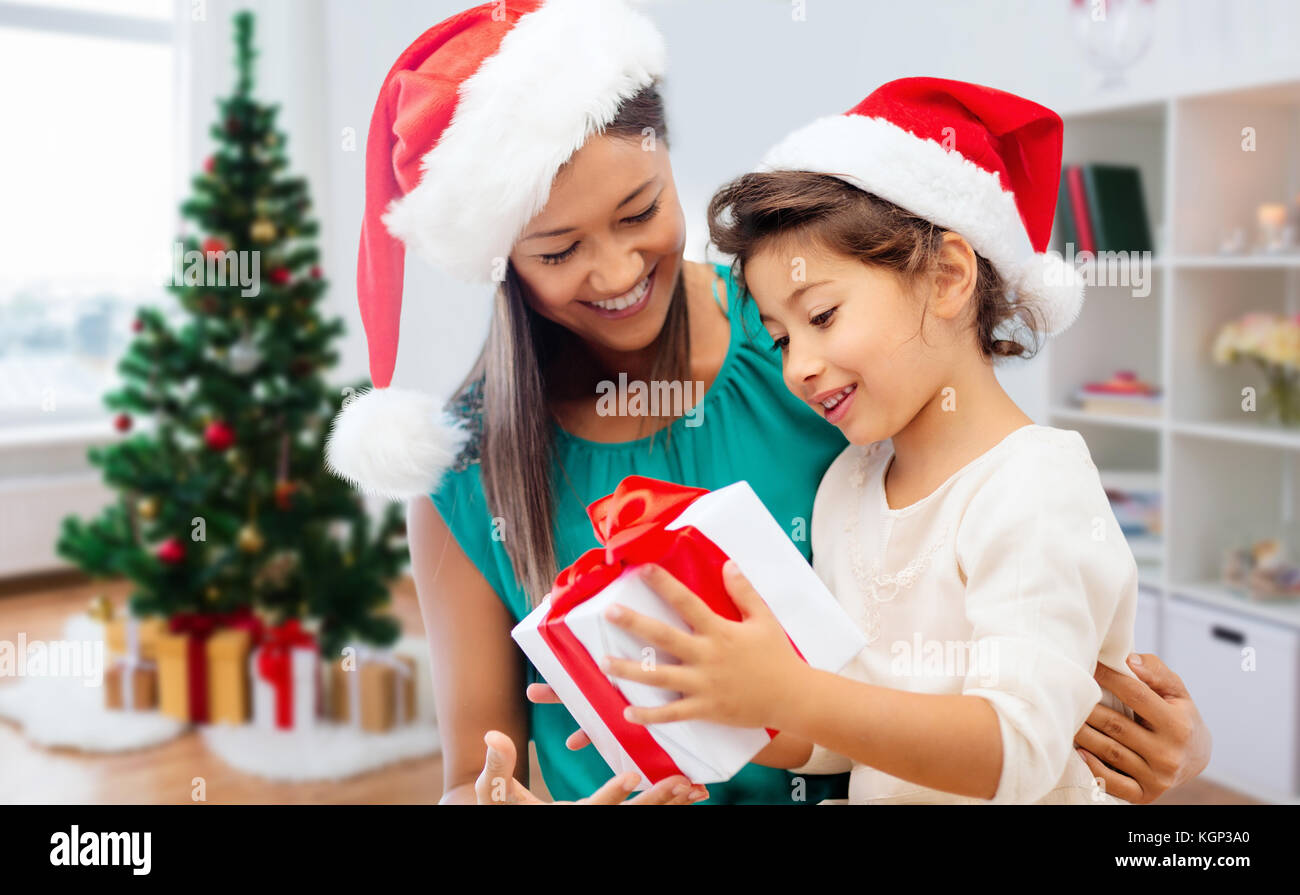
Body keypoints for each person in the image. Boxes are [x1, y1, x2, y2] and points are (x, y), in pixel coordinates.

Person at [326, 3, 1211, 804]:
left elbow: (1010, 618)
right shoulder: (472, 463)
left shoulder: (810, 334)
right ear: (502, 259)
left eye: (640, 211)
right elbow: (478, 775)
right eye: (559, 250)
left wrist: (1165, 739)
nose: (619, 270)